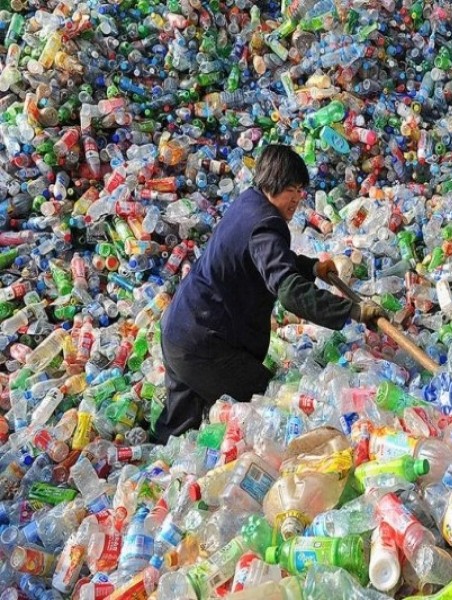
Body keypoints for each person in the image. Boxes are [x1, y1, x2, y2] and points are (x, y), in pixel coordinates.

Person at [154, 145, 386, 442]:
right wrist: (352, 311)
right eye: (294, 189)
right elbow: (288, 291)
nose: (299, 198)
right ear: (275, 183)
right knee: (269, 404)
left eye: (302, 190)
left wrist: (312, 268)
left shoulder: (248, 204)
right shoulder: (268, 224)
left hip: (178, 331)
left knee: (175, 433)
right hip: (205, 346)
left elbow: (261, 261)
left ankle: (155, 472)